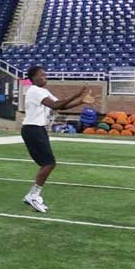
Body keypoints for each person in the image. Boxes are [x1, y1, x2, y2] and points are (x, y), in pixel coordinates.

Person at [21, 66, 93, 213]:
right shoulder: (34, 90)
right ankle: (33, 195)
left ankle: (33, 194)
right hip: (32, 129)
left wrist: (81, 101)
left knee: (48, 163)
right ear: (33, 78)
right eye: (41, 75)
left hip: (38, 129)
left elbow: (61, 107)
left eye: (45, 75)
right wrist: (77, 93)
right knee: (48, 164)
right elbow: (55, 105)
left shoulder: (43, 91)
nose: (45, 77)